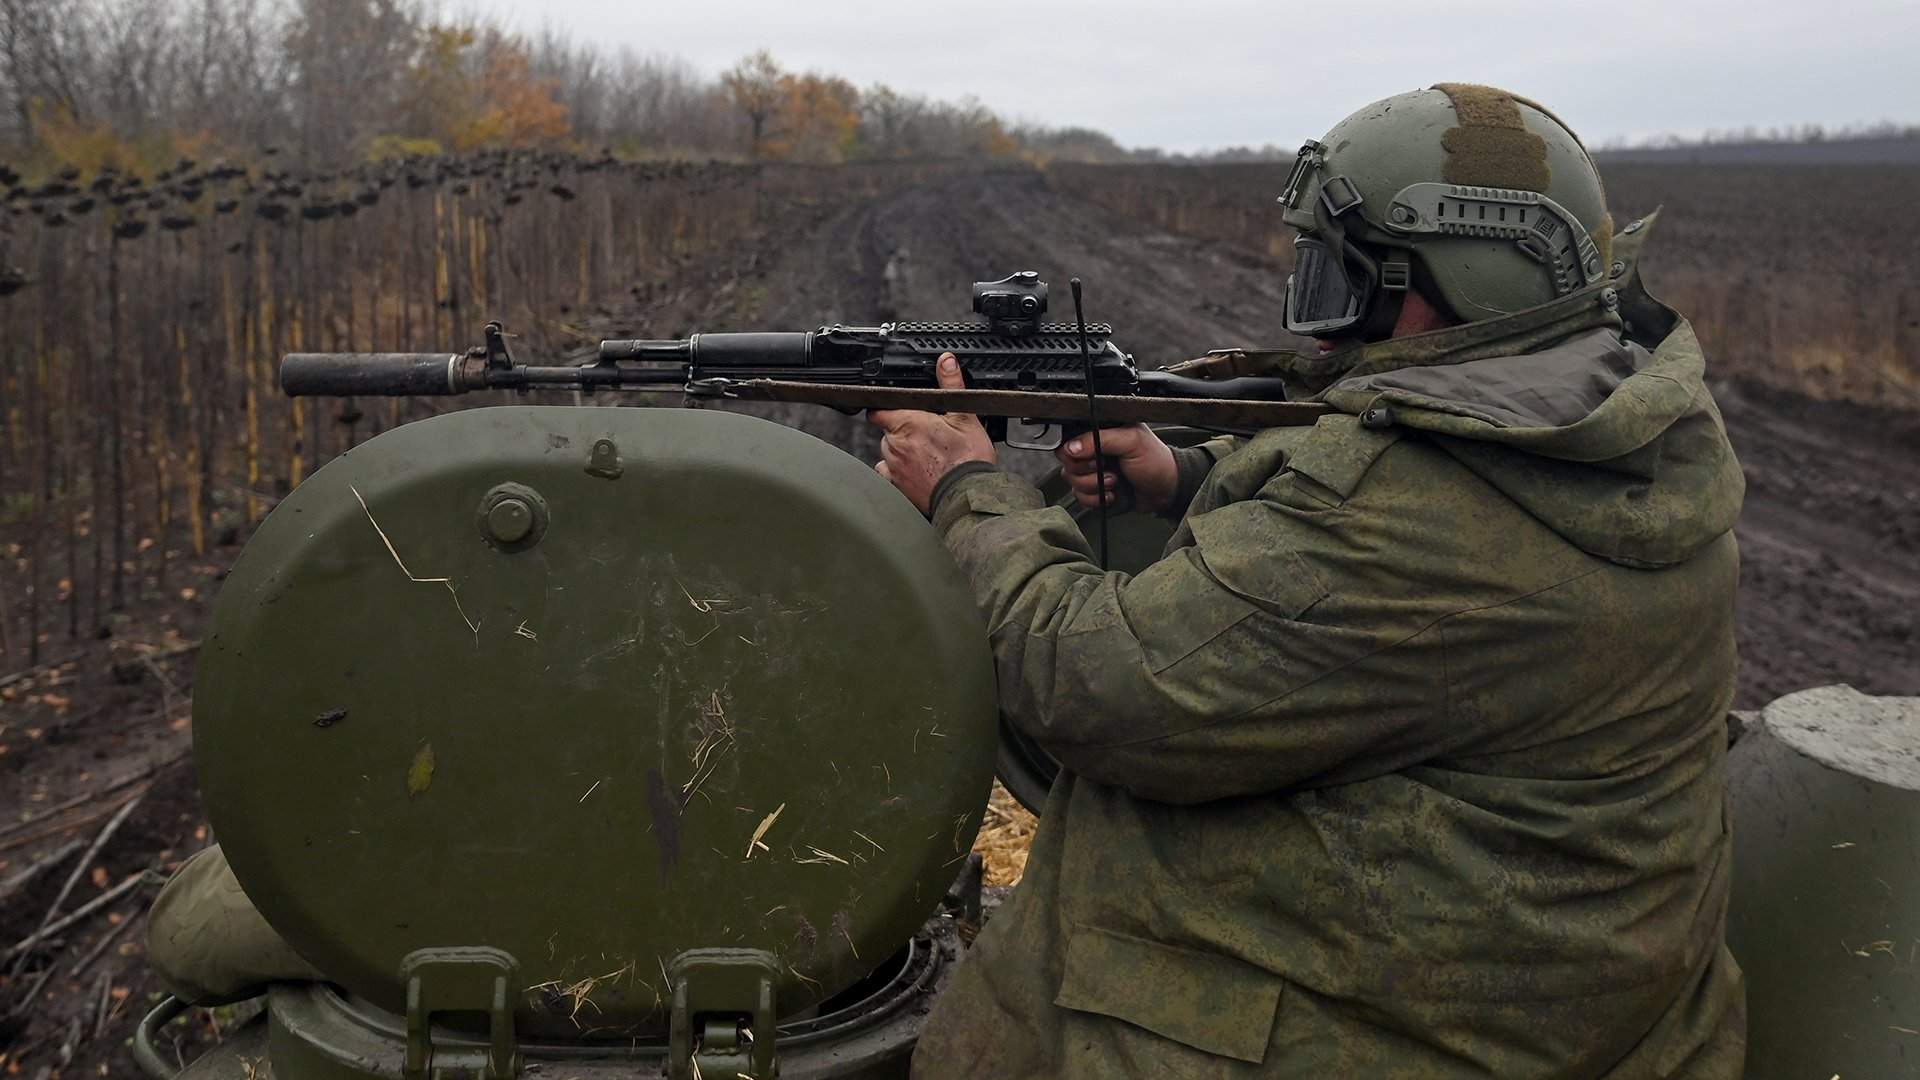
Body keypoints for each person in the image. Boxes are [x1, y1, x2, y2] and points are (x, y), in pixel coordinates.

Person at [870, 84, 1746, 1077]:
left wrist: (968, 494)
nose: (1322, 331)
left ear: (1457, 281)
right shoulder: (1604, 419)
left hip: (1399, 1033)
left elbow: (1097, 684)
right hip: (1543, 979)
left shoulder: (1412, 519)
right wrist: (1181, 475)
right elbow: (1374, 497)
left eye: (1344, 283)